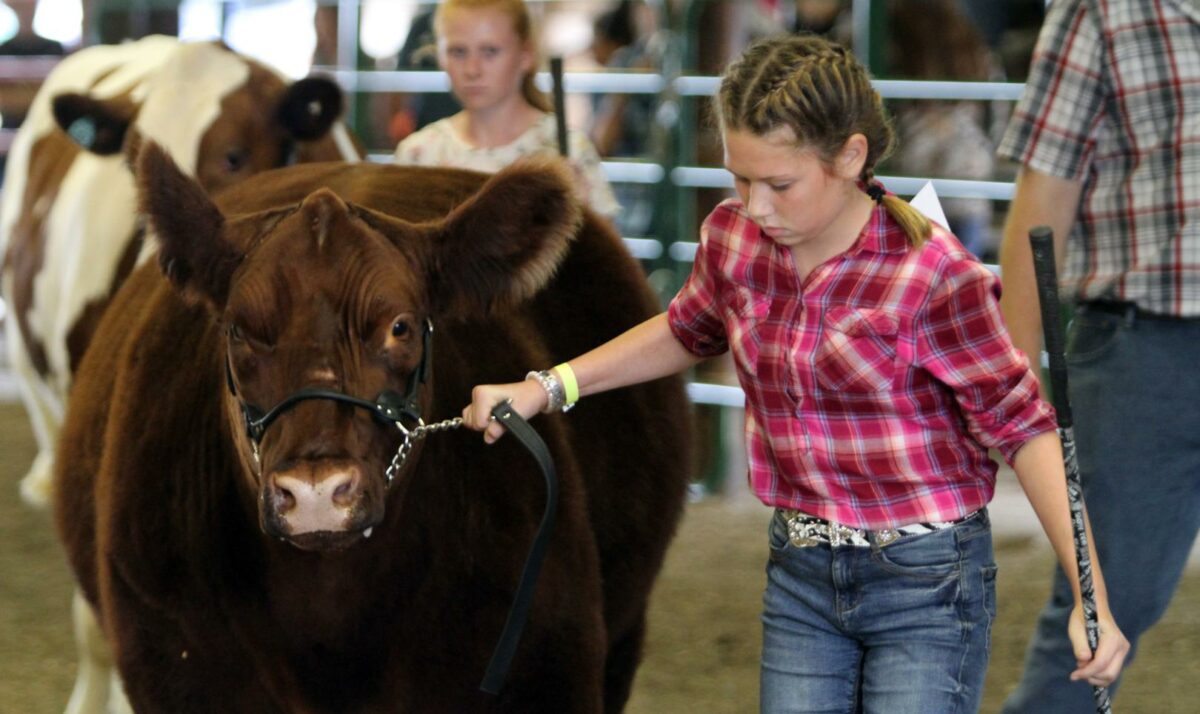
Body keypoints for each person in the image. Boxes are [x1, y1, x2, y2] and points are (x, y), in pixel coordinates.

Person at [461, 33, 1129, 712]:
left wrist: (1090, 595)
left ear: (851, 156)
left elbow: (1024, 428)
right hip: (801, 569)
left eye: (779, 183)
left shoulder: (933, 276)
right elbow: (688, 327)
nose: (755, 205)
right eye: (738, 178)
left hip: (928, 581)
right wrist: (549, 385)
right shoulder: (733, 239)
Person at [995, 1, 1198, 711]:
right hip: (1147, 349)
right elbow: (1041, 201)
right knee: (1101, 612)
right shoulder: (1101, 10)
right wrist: (1014, 392)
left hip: (1149, 355)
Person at [392, 0, 619, 221]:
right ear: (440, 56)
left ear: (526, 55)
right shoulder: (419, 154)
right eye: (458, 52)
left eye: (490, 51)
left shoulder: (567, 151)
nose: (472, 69)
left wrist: (585, 215)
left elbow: (608, 256)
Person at [885, 0, 1001, 261]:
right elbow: (996, 117)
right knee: (965, 286)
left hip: (912, 183)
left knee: (914, 284)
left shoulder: (893, 45)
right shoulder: (974, 47)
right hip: (969, 183)